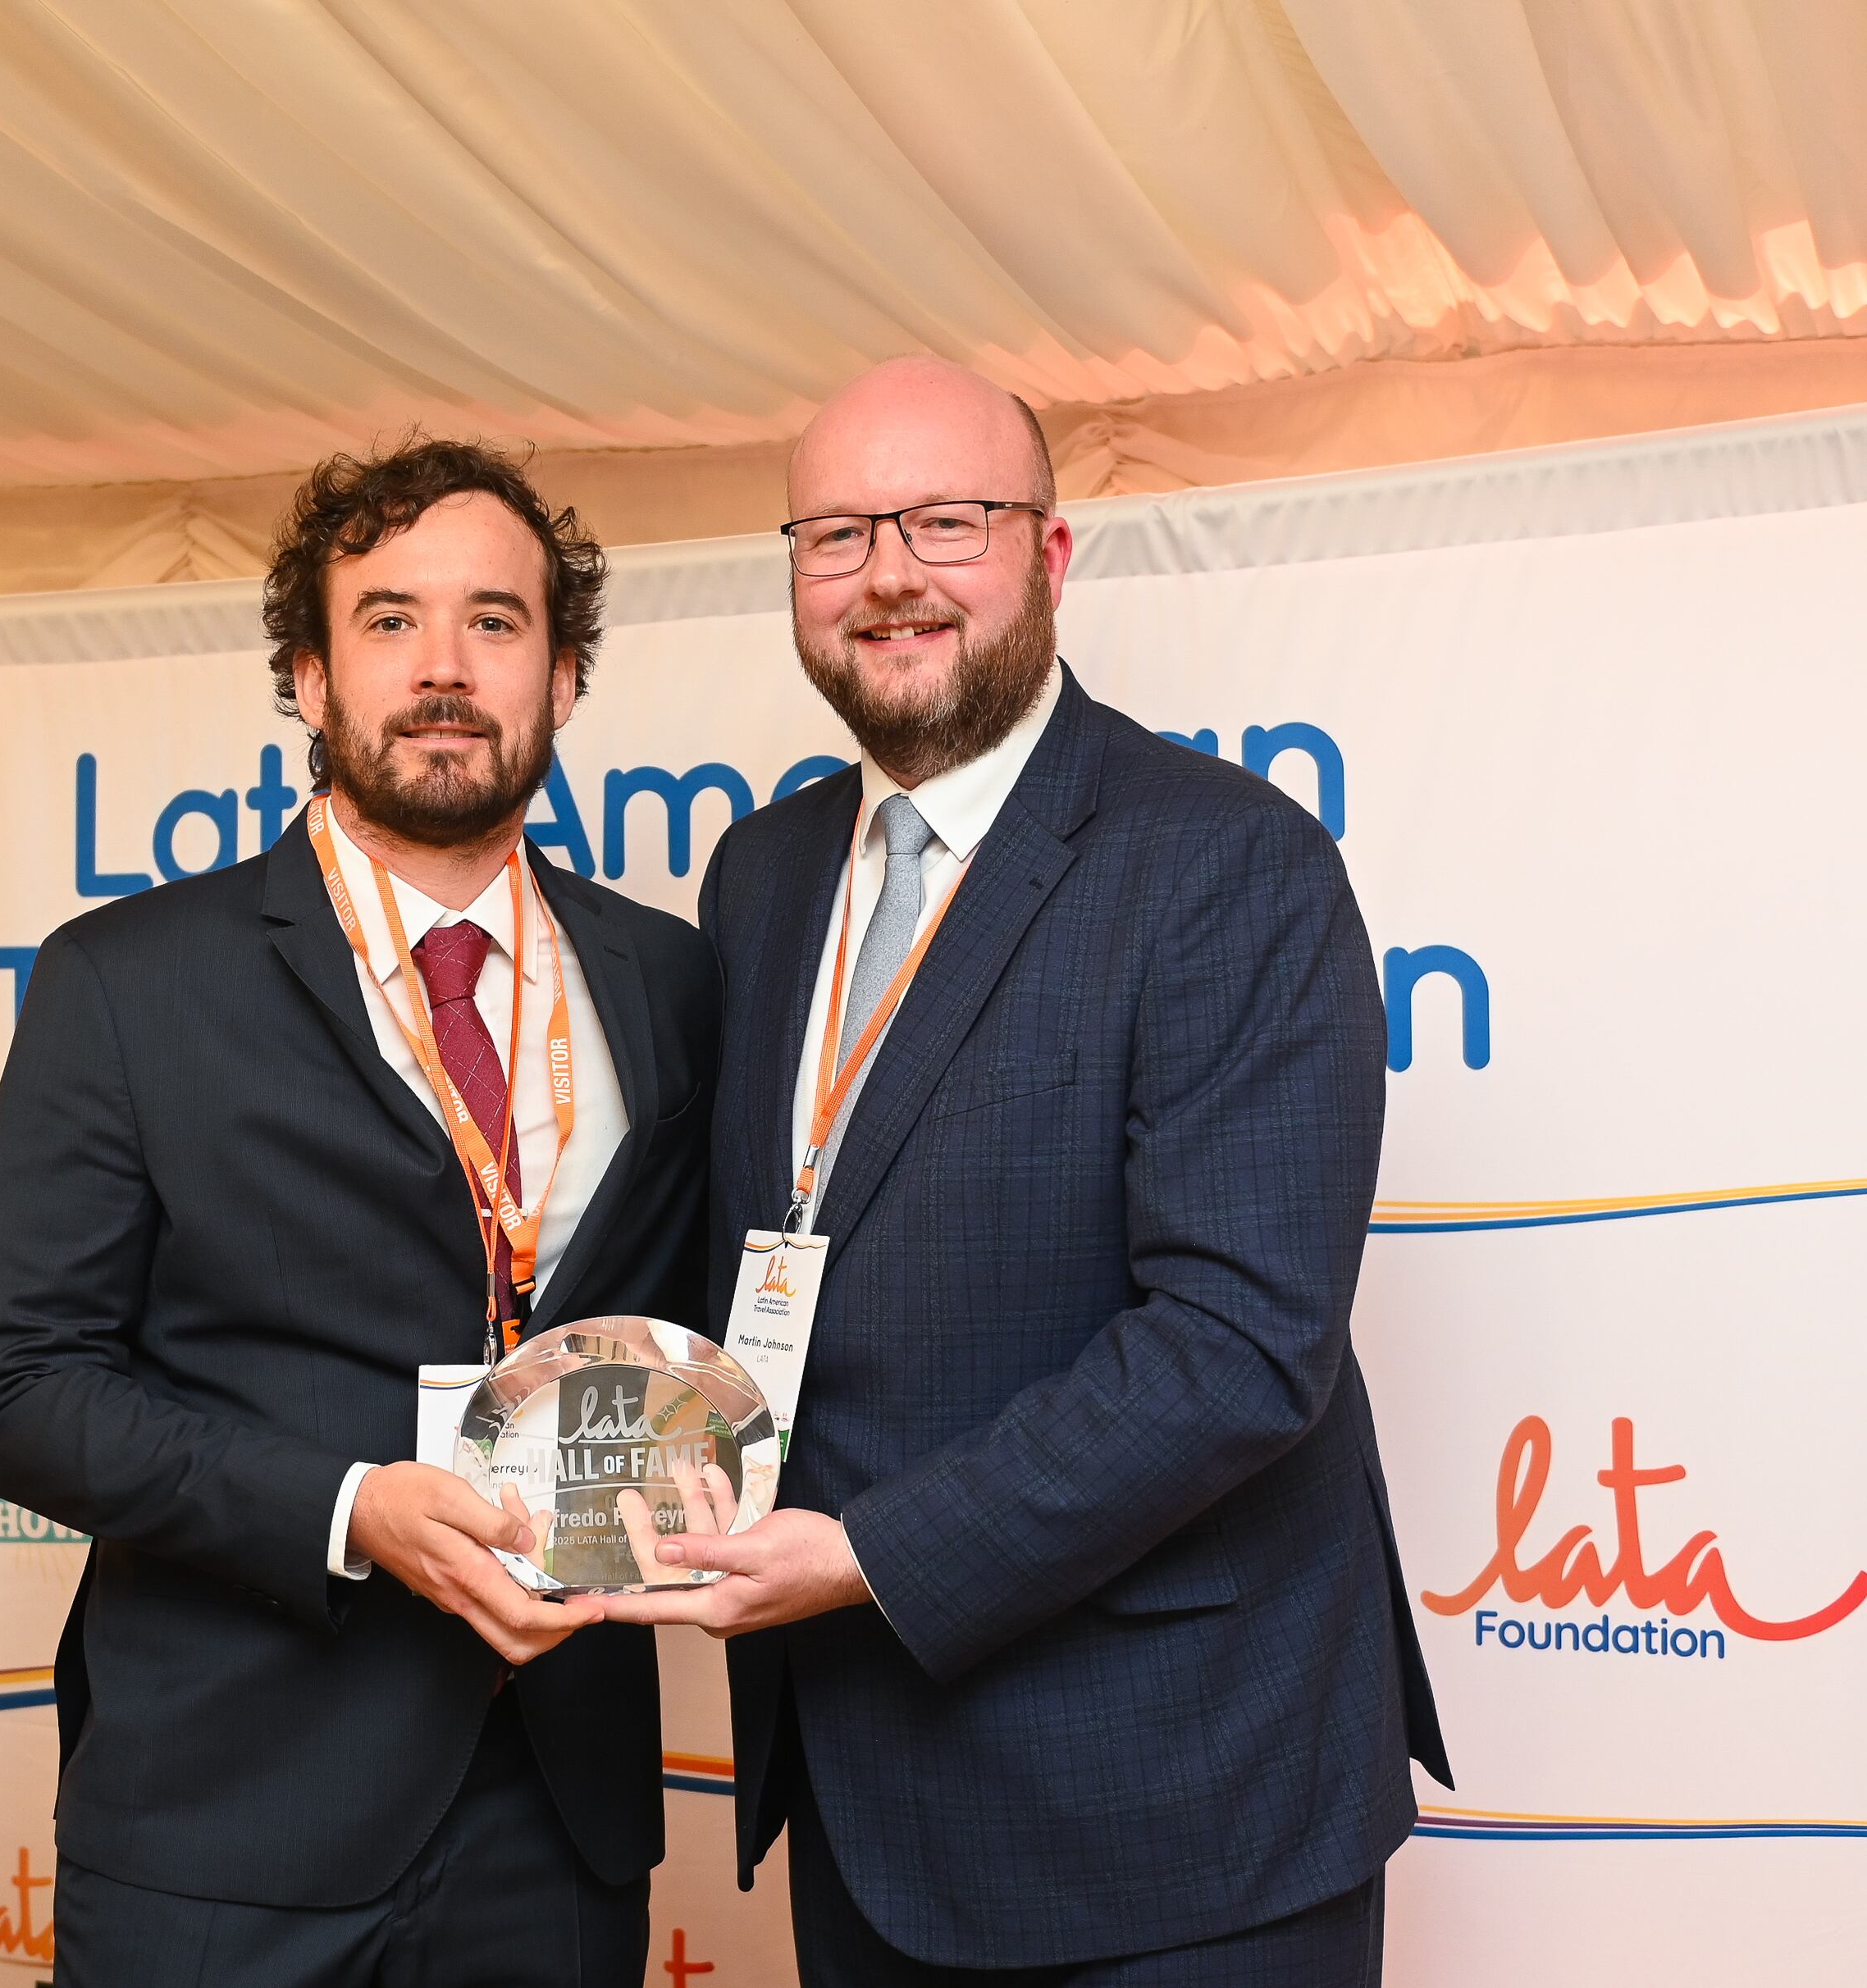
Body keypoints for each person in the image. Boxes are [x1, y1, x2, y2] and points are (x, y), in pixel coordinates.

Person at [602, 357, 1450, 1985]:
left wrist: (866, 1557)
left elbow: (1238, 1348)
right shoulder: (768, 874)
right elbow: (743, 1260)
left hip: (1177, 1805)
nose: (893, 574)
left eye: (948, 521)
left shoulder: (1227, 861)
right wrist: (506, 1484)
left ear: (1049, 557)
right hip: (861, 1785)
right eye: (839, 533)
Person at [0, 437, 719, 1986]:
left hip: (558, 1825)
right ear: (307, 676)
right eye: (388, 621)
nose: (444, 668)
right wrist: (345, 1507)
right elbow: (20, 1390)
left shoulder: (673, 980)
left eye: (497, 622)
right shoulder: (128, 984)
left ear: (564, 679)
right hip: (226, 1828)